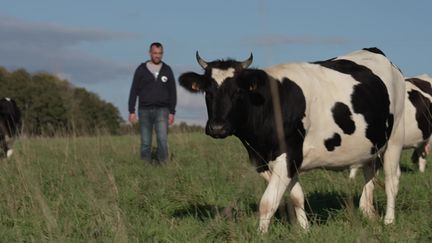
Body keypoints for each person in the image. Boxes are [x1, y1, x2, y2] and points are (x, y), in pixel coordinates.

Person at [128, 42, 177, 163]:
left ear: (162, 54)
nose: (157, 56)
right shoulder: (141, 70)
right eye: (155, 53)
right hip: (144, 110)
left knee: (162, 139)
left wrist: (172, 112)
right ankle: (145, 166)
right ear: (150, 53)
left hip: (162, 110)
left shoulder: (167, 70)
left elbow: (173, 92)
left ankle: (163, 164)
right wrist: (131, 111)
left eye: (160, 53)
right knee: (145, 142)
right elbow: (134, 90)